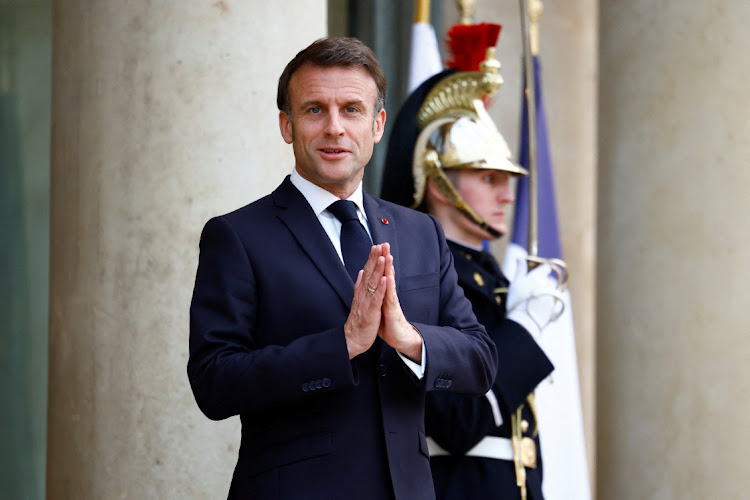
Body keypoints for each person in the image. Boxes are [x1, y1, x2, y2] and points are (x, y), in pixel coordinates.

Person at [187, 37, 498, 500]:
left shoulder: (421, 233)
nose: (334, 127)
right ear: (286, 125)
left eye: (351, 109)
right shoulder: (238, 236)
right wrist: (342, 345)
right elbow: (214, 382)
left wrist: (409, 339)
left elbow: (480, 361)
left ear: (377, 125)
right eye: (315, 110)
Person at [380, 49, 563, 500]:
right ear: (438, 180)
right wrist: (523, 328)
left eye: (507, 178)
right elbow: (460, 421)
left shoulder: (490, 278)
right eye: (488, 178)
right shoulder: (416, 275)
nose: (507, 194)